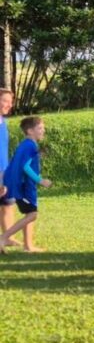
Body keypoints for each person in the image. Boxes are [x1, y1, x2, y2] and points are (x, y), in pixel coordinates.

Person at [0, 117, 51, 253]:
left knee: (30, 213)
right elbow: (25, 166)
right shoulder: (29, 145)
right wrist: (41, 180)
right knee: (32, 214)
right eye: (39, 128)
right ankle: (3, 238)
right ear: (30, 131)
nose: (43, 130)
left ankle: (28, 246)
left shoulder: (27, 145)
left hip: (24, 187)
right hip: (23, 188)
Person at [0, 88, 21, 248]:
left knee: (8, 204)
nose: (9, 104)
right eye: (5, 100)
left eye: (10, 101)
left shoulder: (3, 121)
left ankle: (7, 237)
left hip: (5, 171)